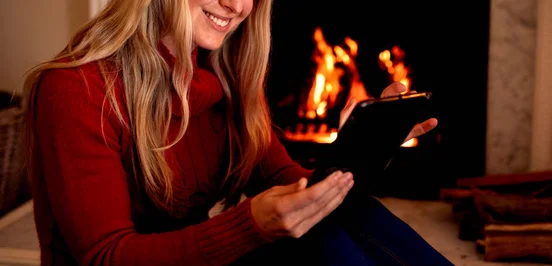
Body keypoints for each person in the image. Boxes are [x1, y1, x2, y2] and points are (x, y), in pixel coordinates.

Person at [22, 0, 452, 265]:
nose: (236, 4)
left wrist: (366, 146)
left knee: (346, 220)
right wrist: (250, 226)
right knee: (324, 248)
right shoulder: (76, 87)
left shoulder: (225, 77)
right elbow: (105, 257)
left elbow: (291, 184)